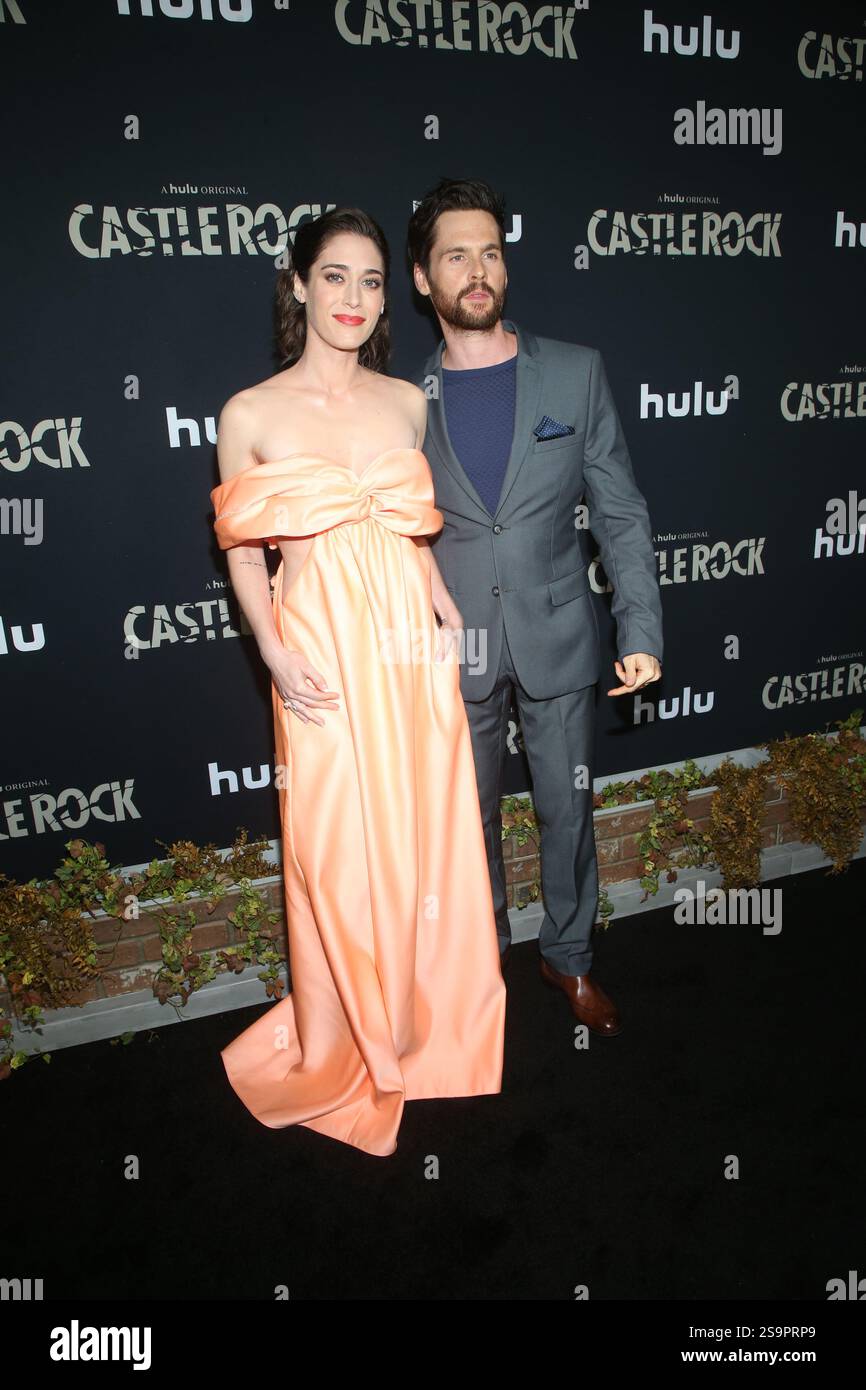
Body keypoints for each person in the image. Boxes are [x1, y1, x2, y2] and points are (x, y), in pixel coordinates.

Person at [210, 207, 505, 1157]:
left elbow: (409, 528)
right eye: (335, 277)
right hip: (319, 655)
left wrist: (442, 605)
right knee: (337, 855)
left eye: (372, 281)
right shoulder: (249, 414)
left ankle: (422, 1035)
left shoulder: (404, 401)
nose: (354, 298)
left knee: (422, 841)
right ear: (298, 285)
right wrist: (272, 652)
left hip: (407, 652)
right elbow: (246, 556)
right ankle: (348, 1045)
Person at [407, 177, 664, 1037]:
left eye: (489, 251)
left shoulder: (575, 373)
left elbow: (620, 509)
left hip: (559, 633)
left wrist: (641, 626)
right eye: (455, 255)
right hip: (454, 648)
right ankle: (481, 966)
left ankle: (569, 958)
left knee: (567, 809)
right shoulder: (404, 405)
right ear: (421, 279)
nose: (476, 270)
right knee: (462, 819)